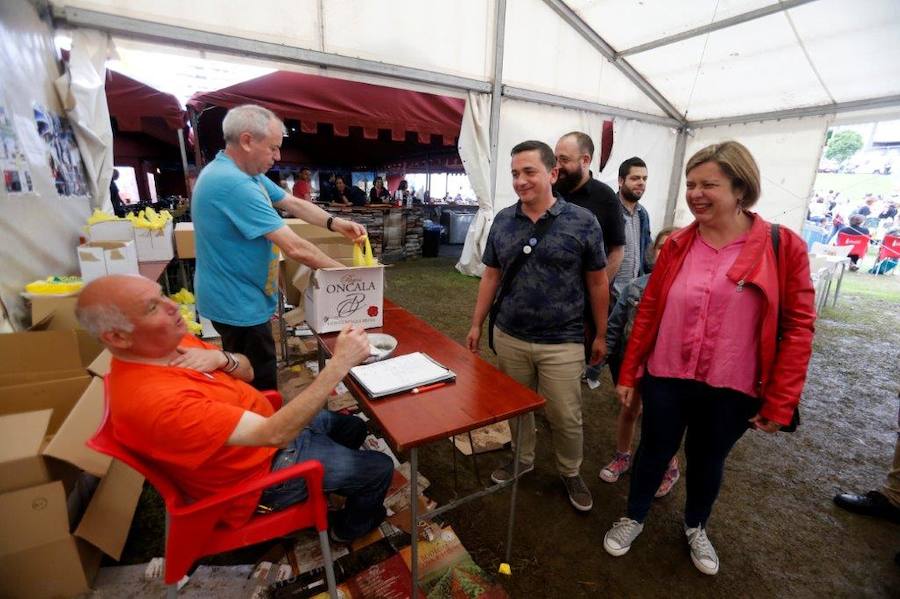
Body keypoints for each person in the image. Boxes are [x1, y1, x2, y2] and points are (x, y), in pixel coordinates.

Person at [601, 141, 816, 576]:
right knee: (654, 450)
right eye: (691, 184)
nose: (695, 193)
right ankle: (634, 515)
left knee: (708, 459)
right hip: (667, 375)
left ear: (740, 188)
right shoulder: (679, 243)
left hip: (732, 384)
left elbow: (798, 328)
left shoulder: (781, 246)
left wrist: (780, 401)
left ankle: (696, 525)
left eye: (708, 185)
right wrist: (629, 372)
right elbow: (648, 312)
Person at [75, 274, 393, 542]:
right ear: (116, 336)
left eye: (163, 296)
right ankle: (347, 529)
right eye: (152, 307)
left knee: (354, 427)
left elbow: (248, 370)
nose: (175, 307)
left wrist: (222, 359)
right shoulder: (154, 403)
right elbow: (276, 435)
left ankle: (334, 481)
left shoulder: (165, 345)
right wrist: (338, 365)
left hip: (266, 432)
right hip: (262, 475)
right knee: (380, 467)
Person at [466, 140, 609, 512]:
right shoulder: (503, 220)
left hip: (562, 340)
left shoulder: (582, 221)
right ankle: (522, 460)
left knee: (565, 415)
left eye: (529, 171)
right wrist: (477, 324)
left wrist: (602, 332)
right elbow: (491, 276)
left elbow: (597, 281)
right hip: (510, 336)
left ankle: (570, 470)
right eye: (515, 173)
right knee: (517, 408)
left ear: (552, 173)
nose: (520, 181)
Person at [192, 104, 366, 391]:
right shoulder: (234, 184)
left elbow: (293, 203)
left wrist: (334, 222)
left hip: (241, 295)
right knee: (258, 380)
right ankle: (266, 429)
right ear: (247, 141)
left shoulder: (247, 174)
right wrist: (348, 276)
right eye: (273, 148)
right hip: (238, 303)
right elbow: (295, 247)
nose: (278, 156)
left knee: (255, 368)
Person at [598, 227, 680, 496]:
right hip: (633, 365)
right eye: (662, 246)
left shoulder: (689, 293)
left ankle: (669, 466)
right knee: (629, 411)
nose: (667, 252)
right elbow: (615, 326)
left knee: (662, 421)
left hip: (668, 373)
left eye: (676, 247)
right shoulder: (636, 287)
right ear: (653, 251)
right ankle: (623, 455)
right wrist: (599, 360)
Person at [554, 132, 626, 282]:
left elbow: (617, 251)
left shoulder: (606, 198)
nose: (557, 166)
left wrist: (596, 290)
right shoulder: (550, 191)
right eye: (555, 159)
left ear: (585, 160)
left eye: (564, 160)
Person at [611, 157, 654, 299]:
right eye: (635, 178)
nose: (641, 183)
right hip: (608, 295)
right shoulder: (608, 210)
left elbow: (647, 254)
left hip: (632, 298)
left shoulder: (643, 214)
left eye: (644, 178)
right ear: (620, 181)